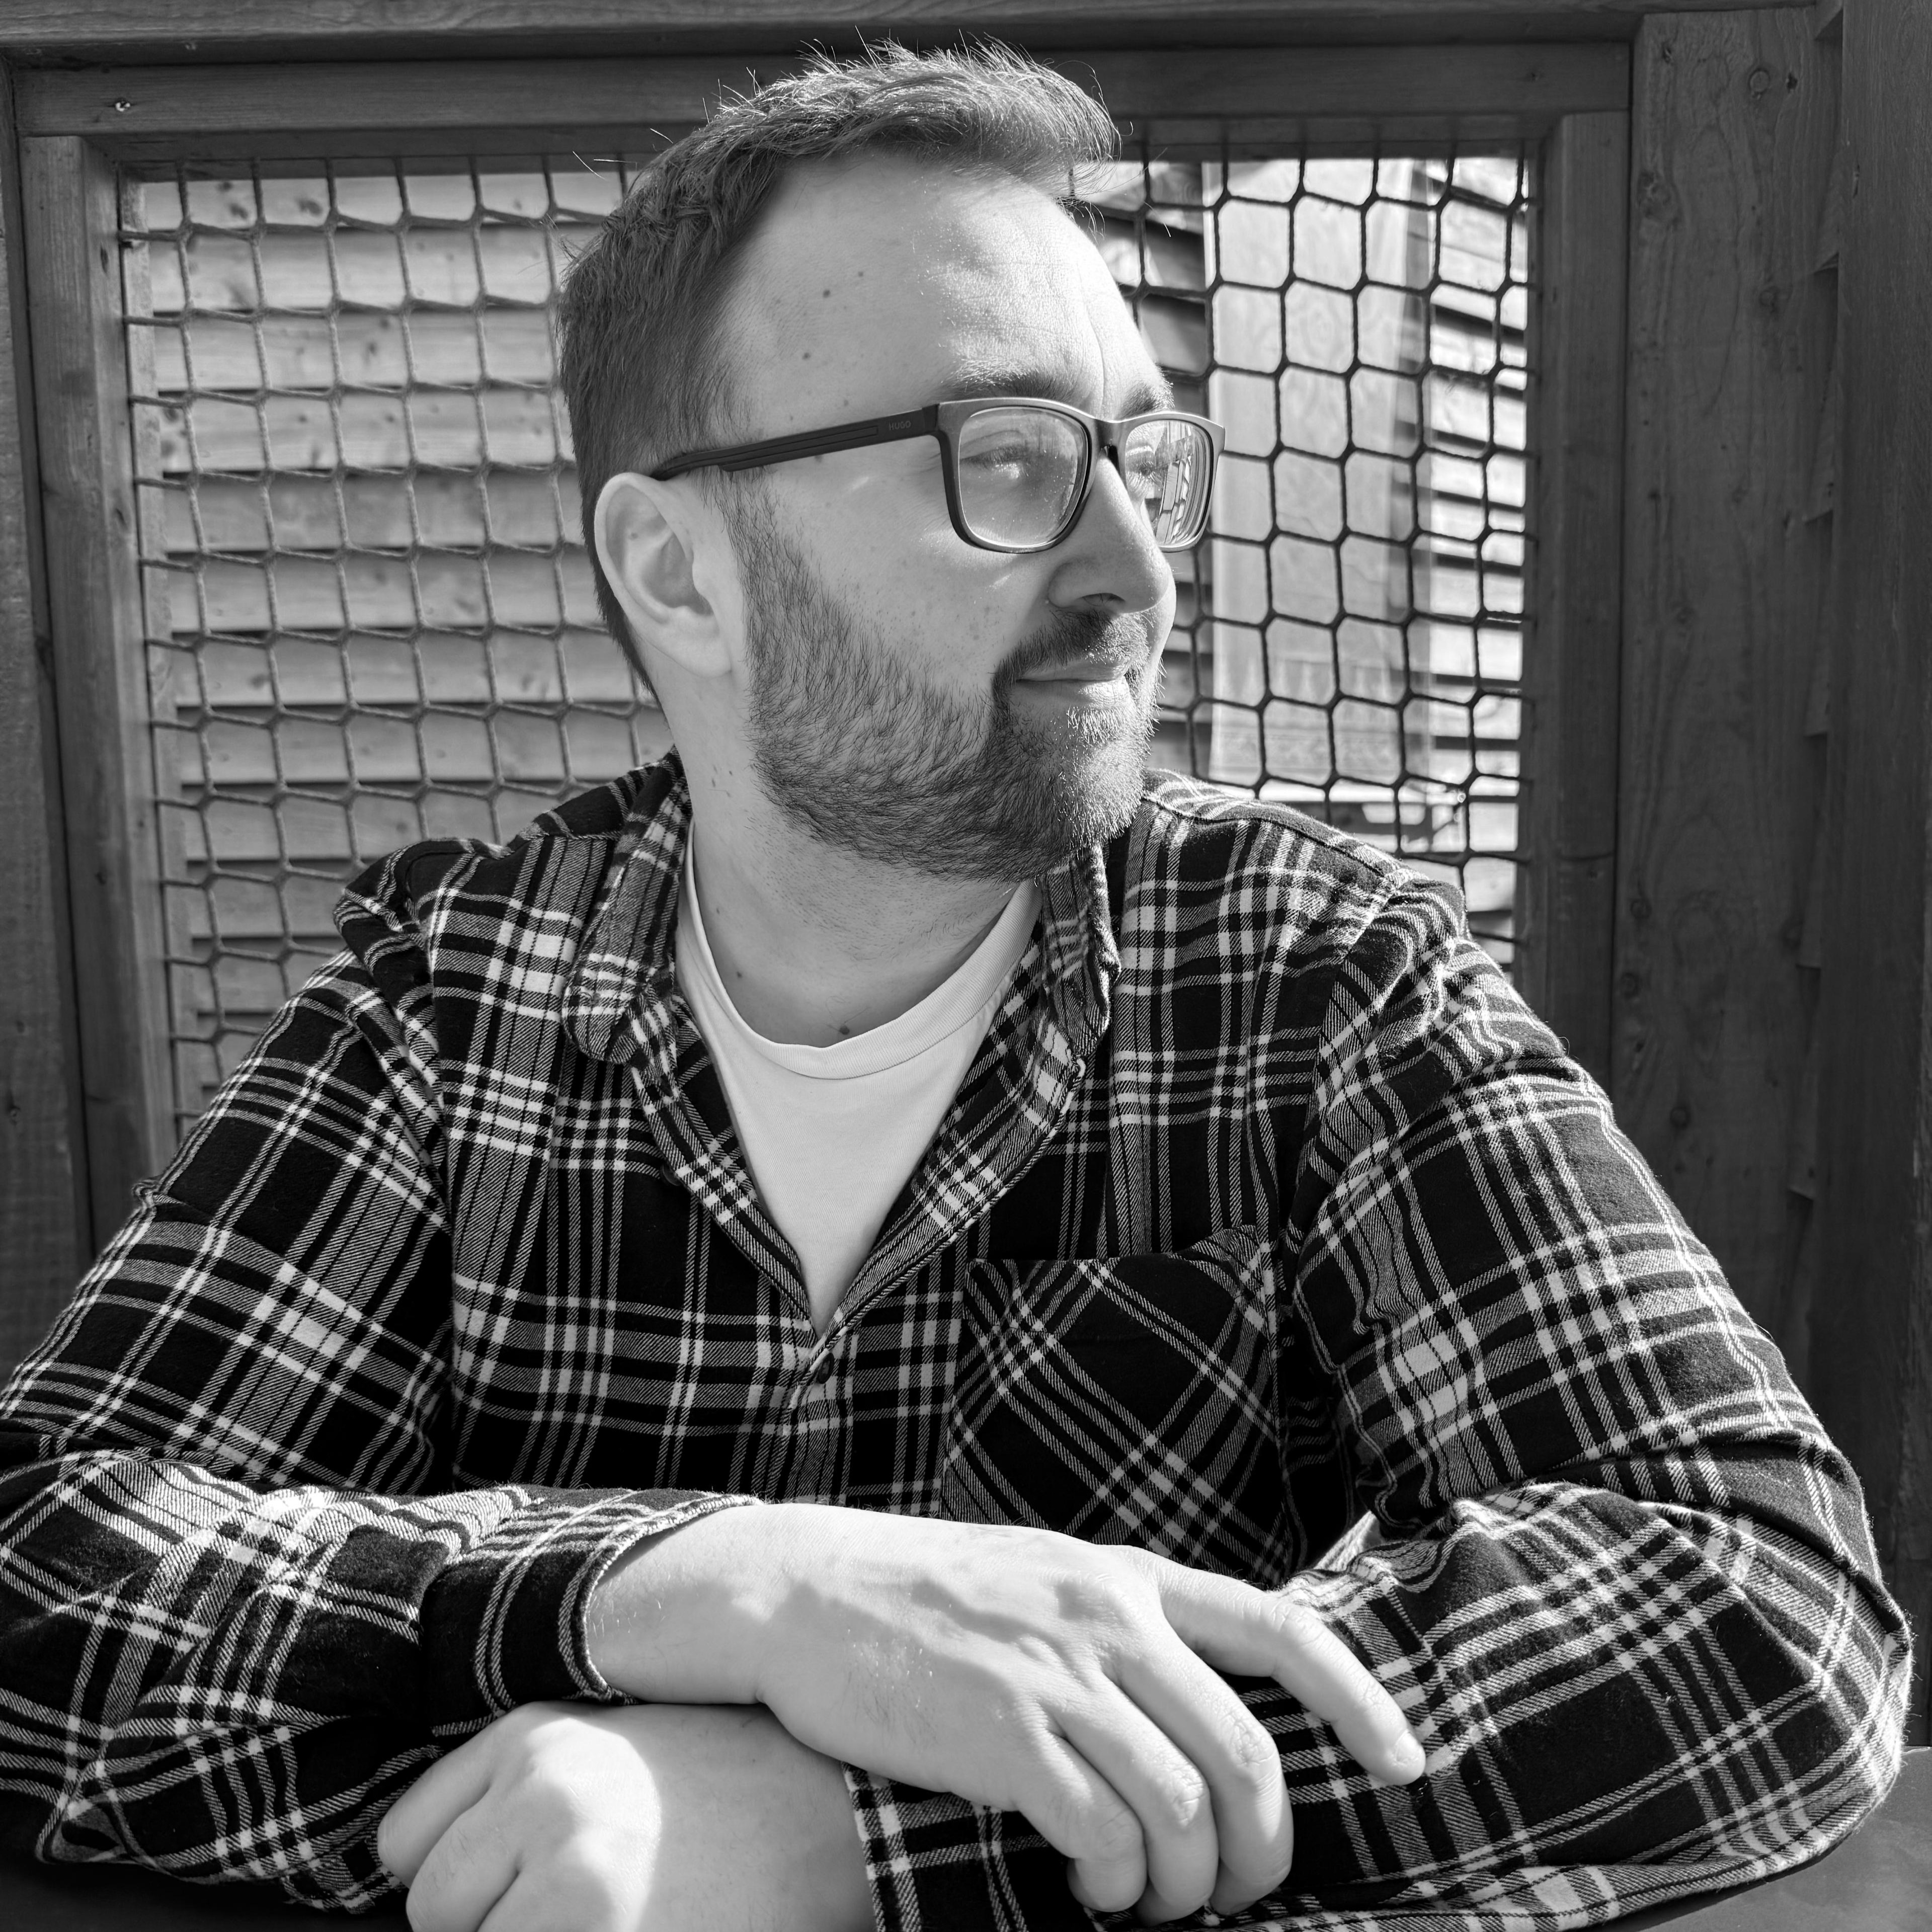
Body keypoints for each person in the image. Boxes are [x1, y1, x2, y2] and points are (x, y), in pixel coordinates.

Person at [0, 42, 1907, 1932]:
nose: (1134, 568)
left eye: (1138, 458)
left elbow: (1760, 1609)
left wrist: (862, 1835)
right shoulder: (454, 997)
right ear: (679, 573)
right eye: (1006, 459)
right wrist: (710, 1588)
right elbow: (42, 1560)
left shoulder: (1315, 972)